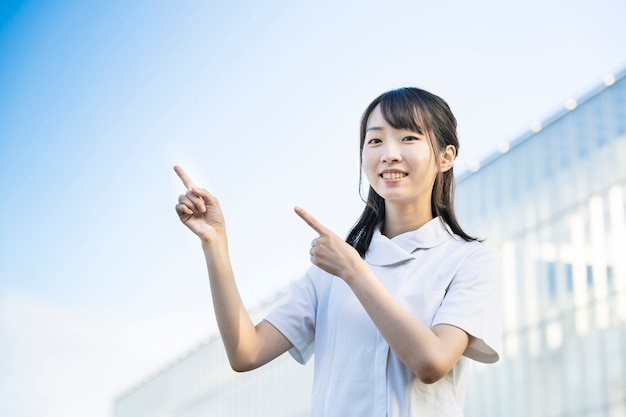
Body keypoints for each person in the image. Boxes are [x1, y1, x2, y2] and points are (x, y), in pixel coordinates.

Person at [174, 87, 502, 417]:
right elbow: (246, 352)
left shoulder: (470, 261)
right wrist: (214, 243)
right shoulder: (329, 271)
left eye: (408, 138)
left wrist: (354, 272)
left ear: (445, 157)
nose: (388, 153)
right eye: (375, 141)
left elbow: (431, 362)